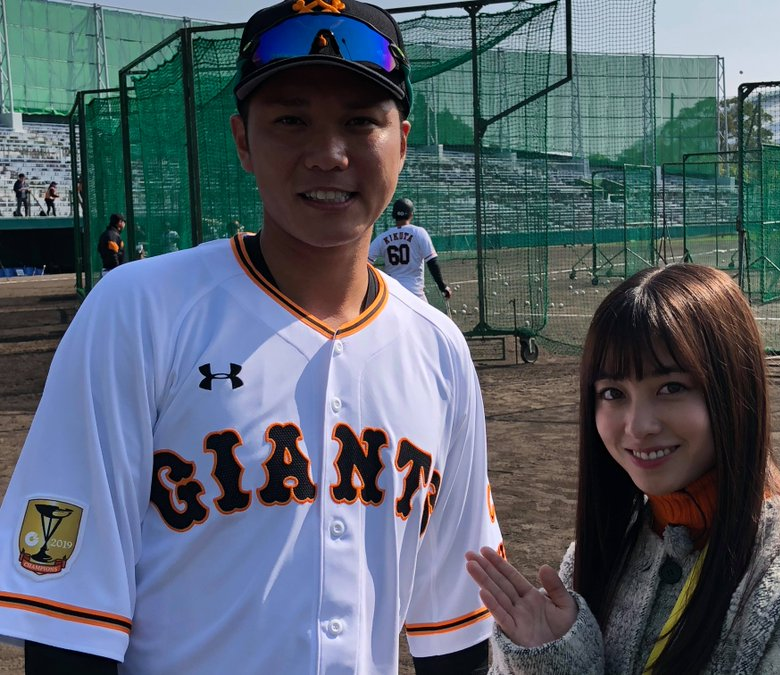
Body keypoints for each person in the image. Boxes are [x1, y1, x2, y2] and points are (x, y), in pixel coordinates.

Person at [0, 1, 502, 674]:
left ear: (402, 142)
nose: (329, 154)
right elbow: (67, 631)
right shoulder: (139, 311)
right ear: (242, 141)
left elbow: (455, 633)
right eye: (291, 120)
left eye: (361, 121)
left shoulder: (438, 348)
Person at [466, 263, 780, 674]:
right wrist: (544, 660)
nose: (637, 426)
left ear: (734, 389)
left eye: (671, 388)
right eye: (612, 393)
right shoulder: (597, 555)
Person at [368, 197, 452, 303]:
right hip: (415, 294)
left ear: (393, 215)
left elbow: (365, 263)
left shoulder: (382, 237)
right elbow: (432, 262)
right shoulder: (419, 232)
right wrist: (442, 286)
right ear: (411, 214)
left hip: (392, 295)